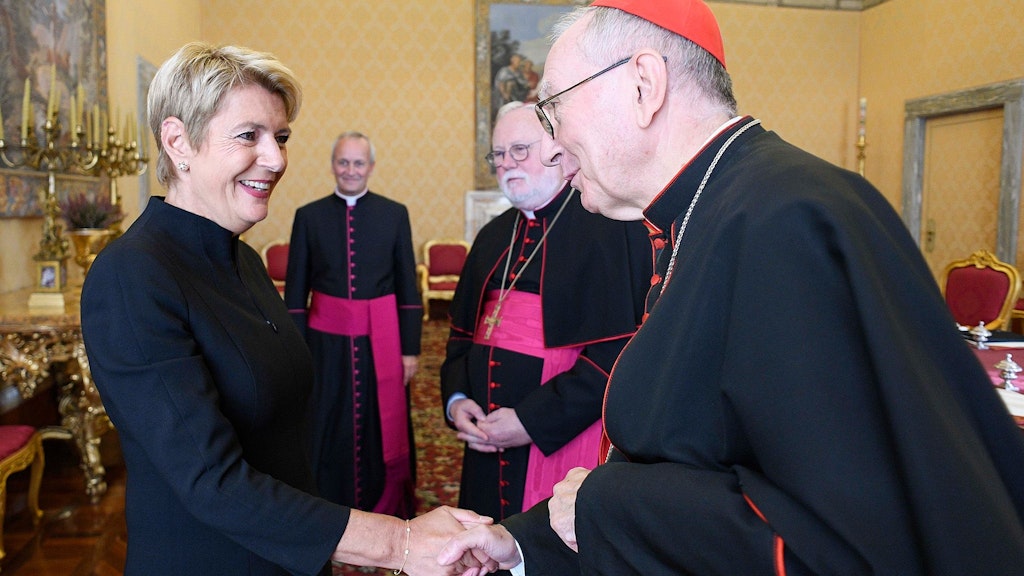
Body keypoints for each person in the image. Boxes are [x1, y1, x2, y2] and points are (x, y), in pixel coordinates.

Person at [438, 1, 1024, 574]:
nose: (555, 145)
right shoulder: (699, 211)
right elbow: (699, 456)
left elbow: (833, 540)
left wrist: (600, 506)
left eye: (555, 111)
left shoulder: (786, 221)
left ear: (643, 85)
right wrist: (521, 544)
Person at [80, 42, 491, 576]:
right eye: (248, 135)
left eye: (281, 137)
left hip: (288, 557)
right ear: (178, 141)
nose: (277, 159)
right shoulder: (132, 276)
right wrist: (399, 543)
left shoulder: (244, 260)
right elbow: (212, 480)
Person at [441, 101, 650, 524]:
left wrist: (531, 421)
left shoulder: (607, 228)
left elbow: (618, 356)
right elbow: (461, 335)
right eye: (498, 154)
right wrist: (457, 400)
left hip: (562, 436)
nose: (506, 164)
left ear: (556, 148)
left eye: (520, 149)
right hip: (484, 439)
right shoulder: (493, 233)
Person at [286, 131, 422, 519]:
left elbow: (406, 285)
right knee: (327, 418)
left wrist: (409, 349)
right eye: (343, 162)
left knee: (378, 421)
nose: (350, 170)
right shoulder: (308, 216)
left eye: (358, 162)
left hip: (381, 339)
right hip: (324, 343)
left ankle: (382, 497)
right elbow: (295, 293)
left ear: (371, 167)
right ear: (333, 165)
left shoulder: (394, 214)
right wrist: (298, 350)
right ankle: (327, 498)